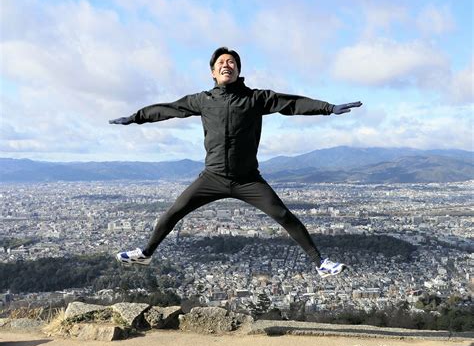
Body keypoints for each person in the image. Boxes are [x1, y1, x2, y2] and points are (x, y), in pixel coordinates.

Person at [109, 47, 362, 278]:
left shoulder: (255, 98)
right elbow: (169, 109)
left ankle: (320, 263)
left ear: (239, 70)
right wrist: (136, 117)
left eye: (231, 62)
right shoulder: (203, 100)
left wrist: (328, 108)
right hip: (213, 177)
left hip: (248, 179)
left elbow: (292, 103)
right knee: (174, 212)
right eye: (221, 62)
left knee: (284, 216)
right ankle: (146, 254)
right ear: (212, 72)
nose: (226, 65)